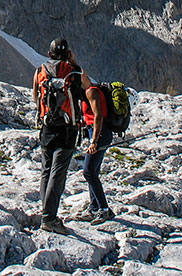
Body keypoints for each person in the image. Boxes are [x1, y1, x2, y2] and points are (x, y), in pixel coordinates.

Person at [33, 38, 90, 235]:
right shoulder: (73, 71)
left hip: (47, 127)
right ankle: (49, 218)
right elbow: (88, 87)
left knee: (46, 171)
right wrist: (74, 63)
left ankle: (46, 212)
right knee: (58, 172)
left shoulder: (40, 70)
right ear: (67, 54)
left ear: (49, 54)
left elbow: (36, 96)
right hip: (68, 129)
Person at [81, 83, 114, 223]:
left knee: (88, 171)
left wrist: (94, 141)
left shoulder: (91, 91)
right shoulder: (90, 90)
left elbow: (98, 116)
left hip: (99, 134)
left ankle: (104, 209)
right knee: (93, 171)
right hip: (98, 132)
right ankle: (94, 207)